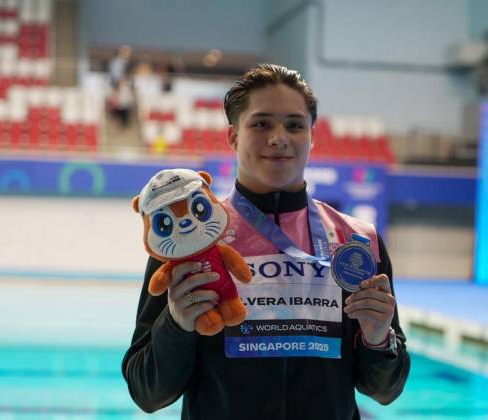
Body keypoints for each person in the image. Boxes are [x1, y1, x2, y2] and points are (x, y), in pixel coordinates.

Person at [122, 63, 410, 420]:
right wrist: (176, 325)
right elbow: (147, 394)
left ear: (312, 136)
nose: (279, 138)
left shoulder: (357, 243)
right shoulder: (190, 241)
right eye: (261, 124)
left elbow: (384, 390)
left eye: (295, 125)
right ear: (233, 136)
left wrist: (379, 340)